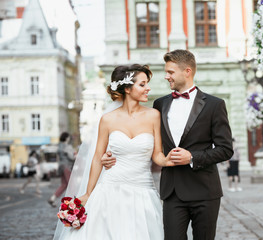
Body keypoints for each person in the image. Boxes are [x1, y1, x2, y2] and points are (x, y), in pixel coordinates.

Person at [102, 49, 233, 239]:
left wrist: (193, 157)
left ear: (187, 71)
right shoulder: (160, 105)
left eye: (170, 72)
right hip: (172, 193)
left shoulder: (215, 105)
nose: (166, 77)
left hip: (204, 191)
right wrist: (111, 155)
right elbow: (143, 140)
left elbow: (225, 149)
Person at [54, 64, 175, 240]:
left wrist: (167, 160)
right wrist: (88, 193)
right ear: (127, 88)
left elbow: (157, 154)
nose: (148, 88)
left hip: (142, 191)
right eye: (142, 84)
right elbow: (97, 157)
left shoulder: (153, 115)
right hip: (110, 190)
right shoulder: (108, 120)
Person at [48, 132, 75, 207]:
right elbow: (71, 157)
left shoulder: (59, 146)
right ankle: (71, 202)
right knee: (71, 185)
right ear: (67, 138)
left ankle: (52, 198)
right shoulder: (67, 147)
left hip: (61, 167)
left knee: (64, 185)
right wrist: (76, 156)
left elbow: (58, 158)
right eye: (68, 137)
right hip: (67, 167)